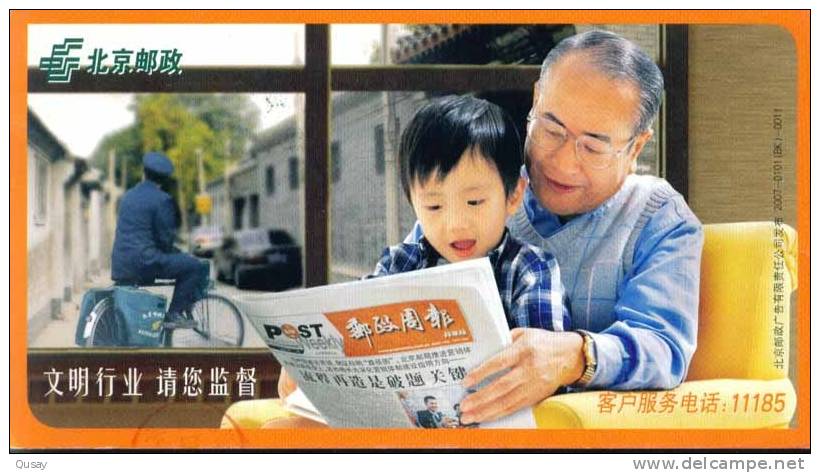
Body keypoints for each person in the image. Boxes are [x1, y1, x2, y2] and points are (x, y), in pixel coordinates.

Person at [456, 30, 704, 425]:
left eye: (593, 147)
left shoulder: (659, 216)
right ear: (537, 99)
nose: (563, 164)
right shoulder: (484, 193)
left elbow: (663, 347)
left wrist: (576, 356)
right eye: (553, 130)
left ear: (636, 147)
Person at [275, 95, 571, 413]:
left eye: (474, 202)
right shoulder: (400, 264)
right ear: (413, 204)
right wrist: (306, 364)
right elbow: (351, 333)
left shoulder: (529, 271)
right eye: (433, 206)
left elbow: (544, 370)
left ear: (513, 195)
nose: (455, 224)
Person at [111, 152, 209, 329]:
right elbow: (164, 240)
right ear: (164, 179)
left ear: (144, 172)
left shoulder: (128, 196)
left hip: (121, 263)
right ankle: (174, 314)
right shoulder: (162, 200)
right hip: (145, 263)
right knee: (193, 266)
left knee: (182, 261)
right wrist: (180, 253)